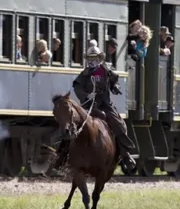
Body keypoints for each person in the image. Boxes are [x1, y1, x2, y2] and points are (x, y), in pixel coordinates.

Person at [49, 41, 137, 173]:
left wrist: (115, 88)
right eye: (90, 59)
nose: (92, 61)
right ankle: (61, 157)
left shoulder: (106, 70)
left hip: (106, 105)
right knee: (72, 125)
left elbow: (114, 82)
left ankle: (125, 155)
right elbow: (77, 87)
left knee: (119, 124)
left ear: (100, 59)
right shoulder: (84, 74)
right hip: (88, 106)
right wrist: (86, 95)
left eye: (95, 58)